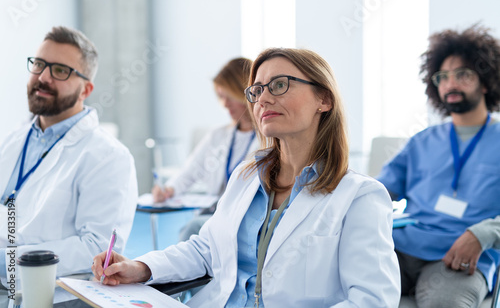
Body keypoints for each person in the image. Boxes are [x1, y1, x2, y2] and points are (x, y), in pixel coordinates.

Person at [93, 48, 400, 307]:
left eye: (279, 85)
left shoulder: (360, 196)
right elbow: (206, 249)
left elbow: (372, 300)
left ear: (324, 99)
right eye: (257, 90)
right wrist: (140, 267)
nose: (262, 99)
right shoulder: (247, 176)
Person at [0, 26, 138, 289]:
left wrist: (6, 262)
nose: (44, 77)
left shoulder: (109, 157)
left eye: (60, 71)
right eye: (39, 64)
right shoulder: (12, 141)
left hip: (49, 293)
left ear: (86, 90)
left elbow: (96, 250)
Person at [377, 24, 500, 307]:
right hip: (400, 248)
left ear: (486, 82)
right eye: (442, 76)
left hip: (461, 257)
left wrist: (485, 233)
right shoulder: (421, 141)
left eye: (463, 75)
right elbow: (377, 191)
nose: (450, 84)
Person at [151, 57, 258, 242]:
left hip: (248, 215)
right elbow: (191, 171)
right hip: (218, 212)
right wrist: (168, 189)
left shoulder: (270, 138)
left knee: (194, 230)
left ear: (246, 92)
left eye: (229, 96)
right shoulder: (218, 136)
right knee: (196, 231)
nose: (225, 104)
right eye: (221, 97)